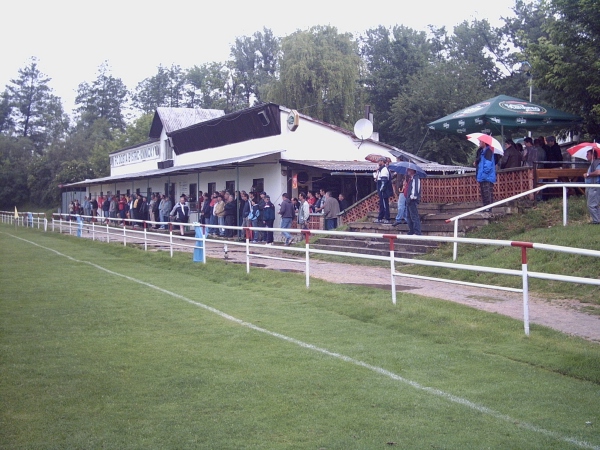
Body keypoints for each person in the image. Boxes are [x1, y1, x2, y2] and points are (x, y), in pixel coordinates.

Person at [474, 138, 496, 211]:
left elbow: (488, 165)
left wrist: (483, 174)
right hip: (481, 176)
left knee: (487, 193)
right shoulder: (481, 151)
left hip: (487, 177)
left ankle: (489, 208)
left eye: (480, 141)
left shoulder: (488, 151)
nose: (479, 143)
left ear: (484, 142)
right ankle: (485, 207)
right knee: (483, 194)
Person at [374, 157, 393, 223]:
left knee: (385, 204)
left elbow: (384, 181)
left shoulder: (384, 170)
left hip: (384, 190)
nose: (378, 162)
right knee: (382, 204)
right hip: (381, 189)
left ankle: (387, 218)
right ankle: (380, 218)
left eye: (379, 161)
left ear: (382, 161)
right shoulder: (380, 170)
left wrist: (381, 189)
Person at [583, 149, 600, 224]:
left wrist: (588, 174)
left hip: (594, 186)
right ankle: (597, 220)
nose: (586, 156)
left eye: (588, 154)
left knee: (591, 205)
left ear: (593, 155)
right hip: (590, 187)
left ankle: (596, 221)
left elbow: (598, 172)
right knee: (594, 205)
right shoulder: (592, 164)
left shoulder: (597, 163)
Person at [405, 167, 422, 235]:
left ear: (412, 170)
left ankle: (417, 232)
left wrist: (412, 197)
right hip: (409, 199)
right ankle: (412, 230)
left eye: (409, 169)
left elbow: (415, 189)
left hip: (412, 200)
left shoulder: (416, 178)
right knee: (408, 216)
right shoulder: (412, 179)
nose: (407, 171)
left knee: (414, 217)